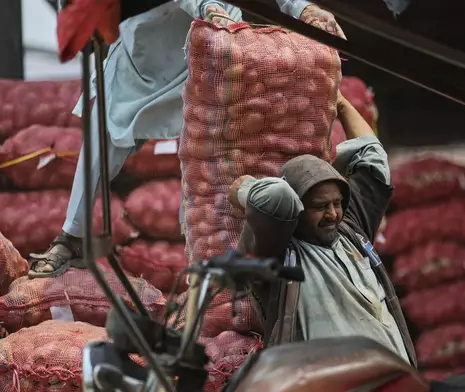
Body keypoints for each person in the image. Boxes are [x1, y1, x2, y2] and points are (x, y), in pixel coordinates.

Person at [28, 0, 344, 278]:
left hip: (212, 43)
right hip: (143, 49)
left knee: (204, 158)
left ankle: (202, 263)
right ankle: (72, 238)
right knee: (101, 137)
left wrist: (301, 7)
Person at [228, 92, 418, 367]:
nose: (332, 214)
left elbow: (373, 158)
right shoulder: (279, 250)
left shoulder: (352, 231)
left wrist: (339, 103)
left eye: (337, 203)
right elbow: (276, 198)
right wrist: (244, 188)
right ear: (297, 208)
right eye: (320, 206)